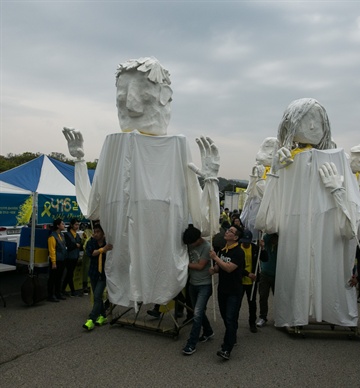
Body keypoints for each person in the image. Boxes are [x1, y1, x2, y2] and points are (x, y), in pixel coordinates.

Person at [63, 57, 221, 308]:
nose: (131, 104)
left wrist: (210, 182)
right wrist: (80, 162)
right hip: (123, 264)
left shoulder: (176, 147)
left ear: (165, 96)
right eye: (122, 96)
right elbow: (92, 207)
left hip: (164, 264)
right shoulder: (114, 145)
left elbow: (206, 223)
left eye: (142, 94)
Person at [255, 98, 360, 328]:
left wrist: (337, 190)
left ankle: (327, 309)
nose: (314, 126)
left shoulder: (337, 159)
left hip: (329, 236)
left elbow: (355, 225)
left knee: (326, 265)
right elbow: (268, 222)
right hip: (296, 235)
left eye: (317, 120)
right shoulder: (286, 163)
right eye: (307, 120)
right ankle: (298, 311)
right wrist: (275, 174)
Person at [209, 225, 245, 360]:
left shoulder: (238, 252)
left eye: (231, 231)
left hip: (234, 291)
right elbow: (221, 266)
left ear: (235, 237)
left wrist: (216, 258)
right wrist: (214, 269)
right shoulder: (224, 250)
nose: (228, 232)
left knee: (230, 318)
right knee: (226, 317)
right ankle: (232, 336)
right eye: (228, 230)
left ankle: (226, 349)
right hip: (222, 289)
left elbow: (230, 268)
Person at [181, 225, 214, 356]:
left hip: (204, 285)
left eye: (192, 243)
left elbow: (200, 266)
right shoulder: (190, 244)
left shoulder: (207, 247)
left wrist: (182, 264)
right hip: (192, 284)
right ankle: (208, 331)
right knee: (198, 312)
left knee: (197, 314)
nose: (191, 245)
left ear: (199, 239)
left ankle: (191, 344)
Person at [83, 223, 113, 331]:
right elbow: (91, 253)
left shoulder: (107, 243)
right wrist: (103, 249)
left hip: (103, 274)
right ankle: (103, 316)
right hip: (93, 273)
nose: (95, 234)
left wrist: (104, 248)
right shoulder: (91, 242)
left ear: (103, 233)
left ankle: (91, 318)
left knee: (97, 295)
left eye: (98, 232)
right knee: (98, 296)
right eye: (94, 232)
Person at [239, 229, 265, 333]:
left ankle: (252, 323)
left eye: (247, 242)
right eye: (244, 241)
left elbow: (264, 258)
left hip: (252, 283)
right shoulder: (238, 249)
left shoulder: (255, 249)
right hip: (240, 281)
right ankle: (233, 323)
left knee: (252, 303)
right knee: (237, 304)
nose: (245, 243)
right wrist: (247, 274)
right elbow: (237, 267)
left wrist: (262, 249)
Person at [256, 233, 278, 327]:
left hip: (277, 275)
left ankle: (279, 317)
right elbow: (265, 236)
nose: (274, 240)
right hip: (265, 274)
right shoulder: (267, 244)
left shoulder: (282, 246)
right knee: (263, 296)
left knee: (278, 297)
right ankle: (263, 317)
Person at [47, 218, 67, 302]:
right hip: (56, 260)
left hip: (62, 259)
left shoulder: (62, 235)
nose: (64, 225)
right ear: (58, 225)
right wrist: (53, 262)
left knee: (59, 277)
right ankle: (51, 295)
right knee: (53, 278)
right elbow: (52, 250)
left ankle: (58, 293)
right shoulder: (52, 237)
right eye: (62, 224)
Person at [62, 218, 82, 297]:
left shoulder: (76, 234)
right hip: (69, 257)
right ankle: (71, 290)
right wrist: (75, 245)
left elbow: (80, 244)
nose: (77, 226)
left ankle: (63, 289)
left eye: (78, 225)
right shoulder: (67, 234)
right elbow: (68, 246)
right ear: (71, 225)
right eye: (75, 225)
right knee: (69, 274)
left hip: (75, 256)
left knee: (69, 274)